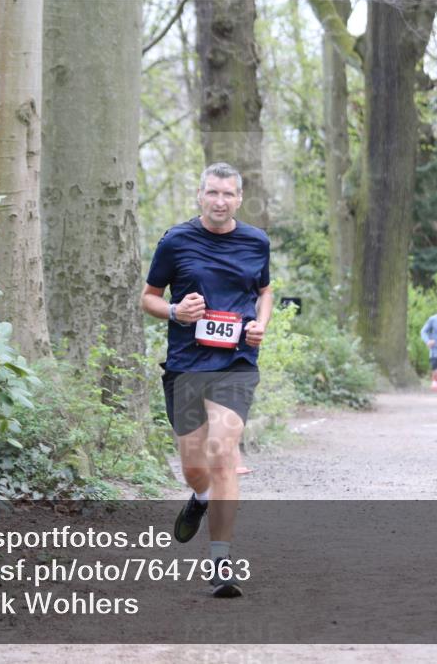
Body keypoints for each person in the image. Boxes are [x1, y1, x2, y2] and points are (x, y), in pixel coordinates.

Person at [140, 162, 272, 598]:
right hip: (185, 365)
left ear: (239, 198)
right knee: (196, 468)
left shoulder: (256, 241)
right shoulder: (176, 241)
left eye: (228, 194)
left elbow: (264, 291)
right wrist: (177, 312)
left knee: (223, 451)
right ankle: (199, 499)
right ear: (200, 195)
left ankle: (221, 560)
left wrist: (260, 324)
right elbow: (149, 298)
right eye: (212, 193)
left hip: (236, 362)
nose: (220, 202)